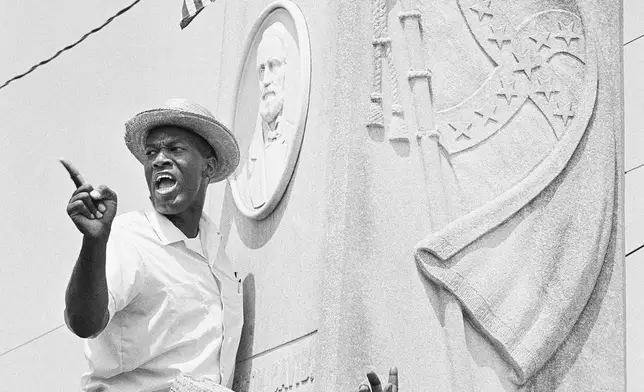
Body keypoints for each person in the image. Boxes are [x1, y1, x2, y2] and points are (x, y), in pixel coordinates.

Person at [63, 98, 243, 392]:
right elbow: (84, 322)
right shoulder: (130, 237)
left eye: (175, 149)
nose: (159, 159)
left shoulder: (218, 255)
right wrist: (94, 243)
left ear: (207, 168)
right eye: (151, 152)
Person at [243, 22, 296, 208]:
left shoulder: (293, 136)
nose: (265, 80)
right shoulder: (249, 155)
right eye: (261, 70)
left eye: (273, 65)